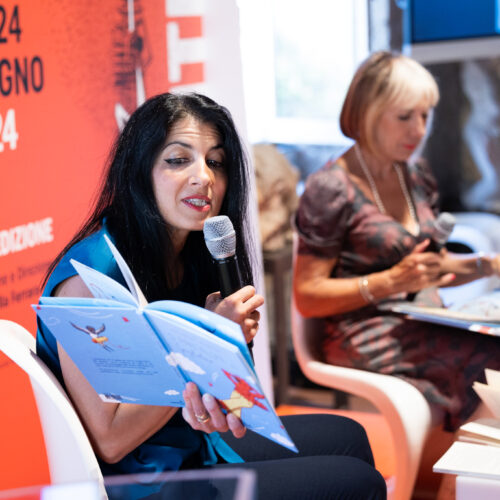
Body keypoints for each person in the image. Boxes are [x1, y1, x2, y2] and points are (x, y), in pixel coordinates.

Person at [37, 92, 386, 499]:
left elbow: (221, 403)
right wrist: (205, 343)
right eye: (178, 160)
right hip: (144, 481)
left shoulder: (193, 250)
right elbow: (110, 441)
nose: (203, 177)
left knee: (348, 436)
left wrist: (222, 376)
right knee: (357, 481)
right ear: (139, 170)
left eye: (215, 162)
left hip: (188, 445)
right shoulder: (89, 277)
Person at [293, 51, 500, 498]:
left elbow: (428, 267)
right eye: (405, 116)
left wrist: (490, 264)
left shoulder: (415, 175)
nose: (419, 130)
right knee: (490, 360)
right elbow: (307, 295)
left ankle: (454, 486)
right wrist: (391, 282)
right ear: (367, 114)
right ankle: (452, 488)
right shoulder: (331, 188)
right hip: (363, 331)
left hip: (421, 318)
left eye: (425, 115)